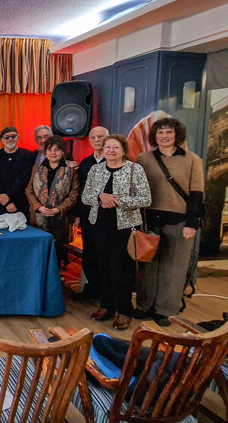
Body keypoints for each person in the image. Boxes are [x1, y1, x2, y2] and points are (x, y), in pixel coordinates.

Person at [135, 117, 204, 326]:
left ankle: (166, 310)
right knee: (147, 266)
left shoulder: (192, 159)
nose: (164, 136)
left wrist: (192, 223)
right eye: (160, 132)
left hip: (180, 221)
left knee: (174, 267)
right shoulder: (144, 159)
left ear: (177, 135)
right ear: (154, 136)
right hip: (150, 219)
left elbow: (196, 194)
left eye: (169, 132)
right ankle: (144, 305)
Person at [81, 134, 151, 330]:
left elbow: (146, 199)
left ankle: (124, 311)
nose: (111, 151)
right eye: (107, 147)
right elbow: (86, 196)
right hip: (100, 225)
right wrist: (101, 196)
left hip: (126, 227)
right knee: (103, 268)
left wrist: (117, 200)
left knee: (121, 270)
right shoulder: (96, 169)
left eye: (115, 147)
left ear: (123, 150)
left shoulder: (134, 169)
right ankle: (106, 306)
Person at [25, 136, 80, 263]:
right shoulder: (37, 168)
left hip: (61, 218)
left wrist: (58, 209)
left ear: (63, 152)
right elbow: (29, 189)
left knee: (58, 251)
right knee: (39, 252)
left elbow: (74, 194)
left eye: (57, 150)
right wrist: (38, 206)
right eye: (50, 150)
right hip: (38, 216)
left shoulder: (71, 170)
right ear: (45, 152)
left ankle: (56, 278)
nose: (53, 153)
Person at [73, 126, 109, 301]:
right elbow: (81, 191)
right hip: (88, 217)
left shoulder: (117, 162)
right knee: (89, 254)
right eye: (93, 137)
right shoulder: (86, 162)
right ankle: (92, 289)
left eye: (100, 136)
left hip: (108, 218)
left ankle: (106, 295)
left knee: (105, 256)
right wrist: (78, 215)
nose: (97, 140)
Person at [0, 126, 34, 219]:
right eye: (7, 137)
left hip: (19, 202)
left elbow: (24, 179)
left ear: (18, 138)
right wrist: (5, 201)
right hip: (0, 202)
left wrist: (9, 196)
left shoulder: (27, 155)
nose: (10, 139)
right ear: (2, 140)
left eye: (13, 136)